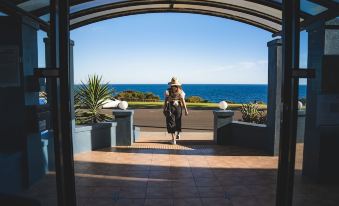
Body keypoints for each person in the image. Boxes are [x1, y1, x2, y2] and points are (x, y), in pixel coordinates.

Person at [163, 77, 189, 144]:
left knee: (177, 121)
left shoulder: (181, 91)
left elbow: (183, 100)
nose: (173, 86)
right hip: (170, 107)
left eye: (175, 85)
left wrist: (186, 110)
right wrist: (164, 108)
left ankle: (177, 134)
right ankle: (173, 139)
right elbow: (165, 100)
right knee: (171, 122)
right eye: (173, 85)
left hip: (178, 108)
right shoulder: (167, 91)